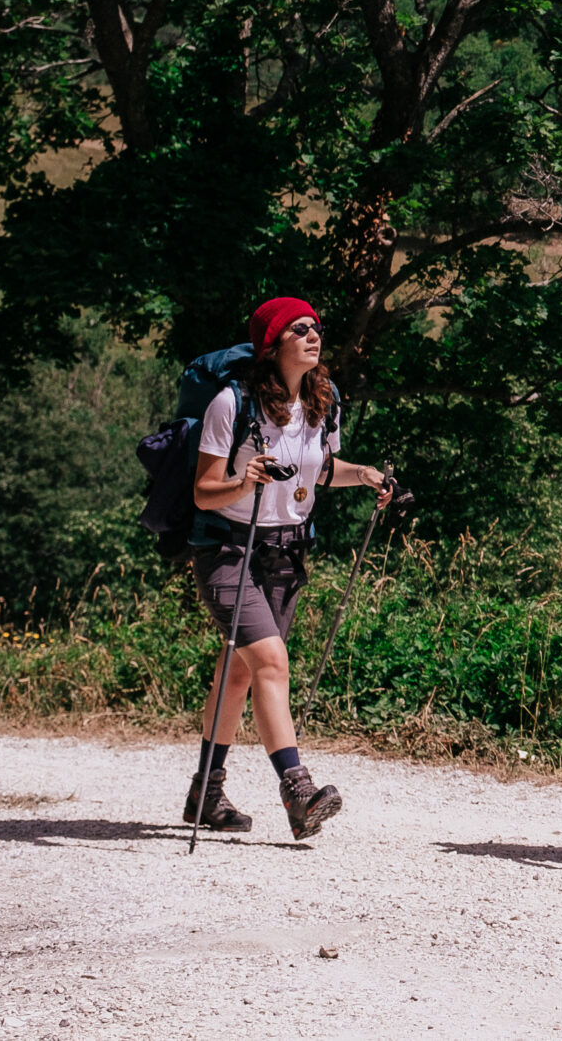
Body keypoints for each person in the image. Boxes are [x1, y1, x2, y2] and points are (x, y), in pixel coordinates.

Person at [184, 296, 392, 840]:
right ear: (274, 343)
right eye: (298, 329)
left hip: (285, 553)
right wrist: (243, 482)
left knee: (241, 673)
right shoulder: (232, 404)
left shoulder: (324, 401)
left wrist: (364, 474)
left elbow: (317, 472)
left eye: (315, 327)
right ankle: (297, 790)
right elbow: (204, 492)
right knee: (271, 662)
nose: (312, 335)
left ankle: (205, 793)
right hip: (229, 550)